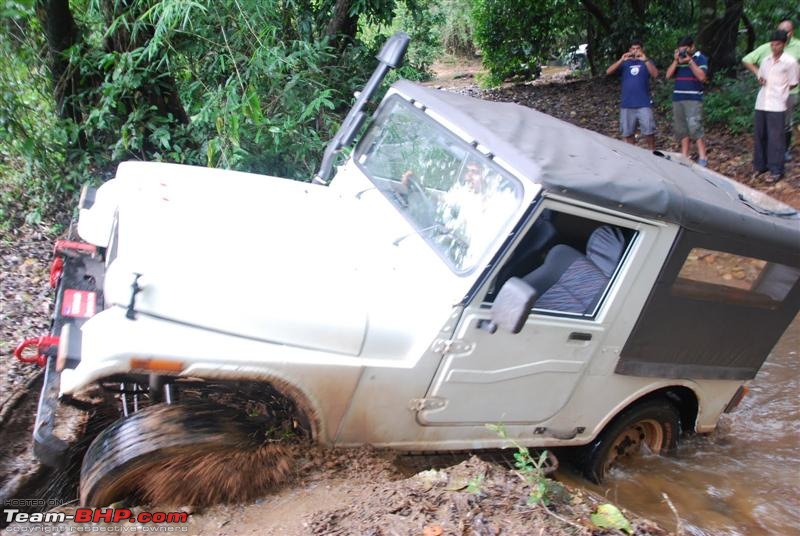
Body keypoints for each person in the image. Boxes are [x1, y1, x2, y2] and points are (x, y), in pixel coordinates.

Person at [743, 19, 800, 161]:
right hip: (769, 94)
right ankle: (768, 156)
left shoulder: (798, 46)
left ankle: (784, 151)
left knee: (785, 124)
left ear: (791, 32)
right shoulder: (768, 47)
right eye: (780, 29)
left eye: (786, 31)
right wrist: (758, 73)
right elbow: (747, 59)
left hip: (790, 93)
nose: (782, 33)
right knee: (767, 126)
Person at [606, 39, 659, 149]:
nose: (635, 51)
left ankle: (653, 155)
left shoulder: (646, 62)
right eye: (633, 49)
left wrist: (645, 60)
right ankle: (633, 158)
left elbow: (655, 74)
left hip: (643, 103)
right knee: (628, 134)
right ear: (629, 50)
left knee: (649, 132)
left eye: (638, 48)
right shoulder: (625, 63)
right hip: (627, 104)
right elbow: (608, 72)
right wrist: (621, 60)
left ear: (642, 49)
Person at [666, 36, 709, 166]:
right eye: (680, 50)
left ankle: (703, 157)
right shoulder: (678, 60)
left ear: (692, 47)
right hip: (678, 97)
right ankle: (684, 155)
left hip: (693, 98)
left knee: (695, 127)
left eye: (685, 49)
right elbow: (668, 75)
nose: (683, 52)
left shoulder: (700, 58)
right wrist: (676, 61)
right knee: (681, 128)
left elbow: (702, 77)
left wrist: (690, 62)